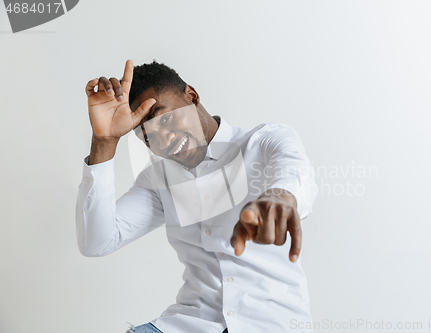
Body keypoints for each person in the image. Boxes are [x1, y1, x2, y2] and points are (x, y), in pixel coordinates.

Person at [76, 60, 317, 333]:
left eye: (165, 118)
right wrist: (104, 142)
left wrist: (281, 197)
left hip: (270, 323)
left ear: (191, 95)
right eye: (148, 136)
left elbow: (295, 172)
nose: (164, 141)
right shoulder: (158, 180)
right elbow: (97, 242)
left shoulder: (263, 142)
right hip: (190, 324)